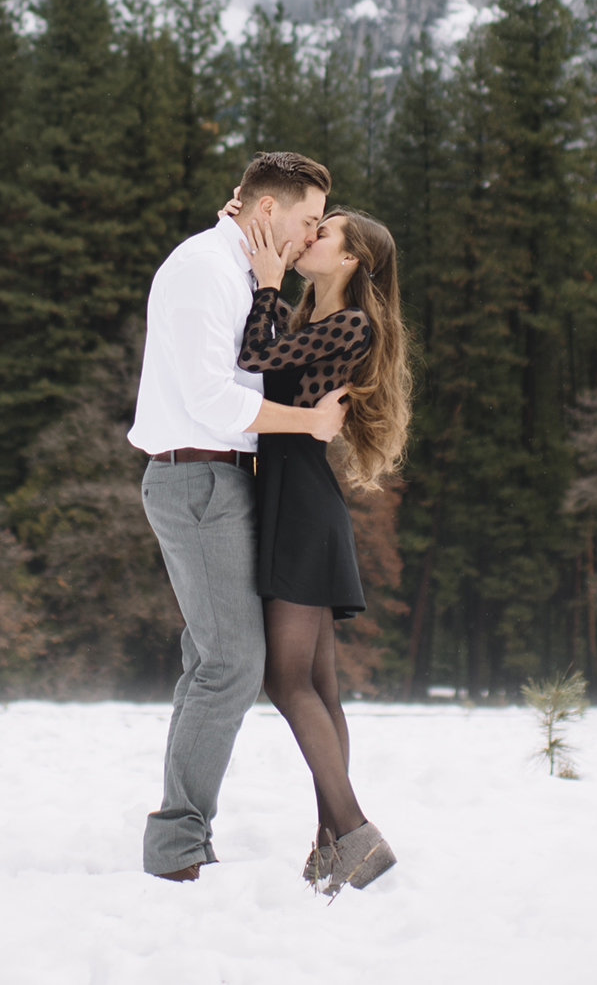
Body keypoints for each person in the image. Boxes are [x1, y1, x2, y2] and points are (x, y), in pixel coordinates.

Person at [129, 151, 347, 883]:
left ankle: (183, 835)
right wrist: (307, 424)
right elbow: (212, 401)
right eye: (307, 218)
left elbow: (259, 365)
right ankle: (178, 844)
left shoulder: (246, 277)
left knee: (214, 659)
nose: (310, 232)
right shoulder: (201, 270)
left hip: (229, 481)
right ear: (265, 211)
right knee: (232, 662)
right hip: (195, 479)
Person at [234, 204, 412, 895]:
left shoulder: (351, 323)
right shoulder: (318, 321)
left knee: (286, 681)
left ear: (351, 259)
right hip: (300, 499)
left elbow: (255, 357)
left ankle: (356, 833)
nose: (313, 235)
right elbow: (272, 355)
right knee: (322, 689)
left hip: (301, 505)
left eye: (326, 230)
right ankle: (330, 843)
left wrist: (265, 282)